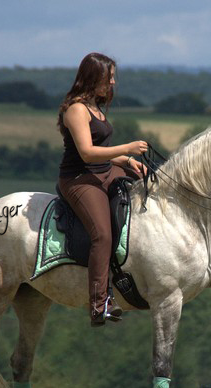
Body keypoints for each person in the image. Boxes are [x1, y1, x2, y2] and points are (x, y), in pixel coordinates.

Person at [57, 52, 148, 326]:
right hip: (79, 179)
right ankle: (99, 303)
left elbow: (104, 153)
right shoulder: (76, 110)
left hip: (104, 171)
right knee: (103, 235)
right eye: (109, 77)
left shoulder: (95, 106)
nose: (112, 82)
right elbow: (86, 153)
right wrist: (127, 148)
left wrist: (129, 162)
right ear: (93, 78)